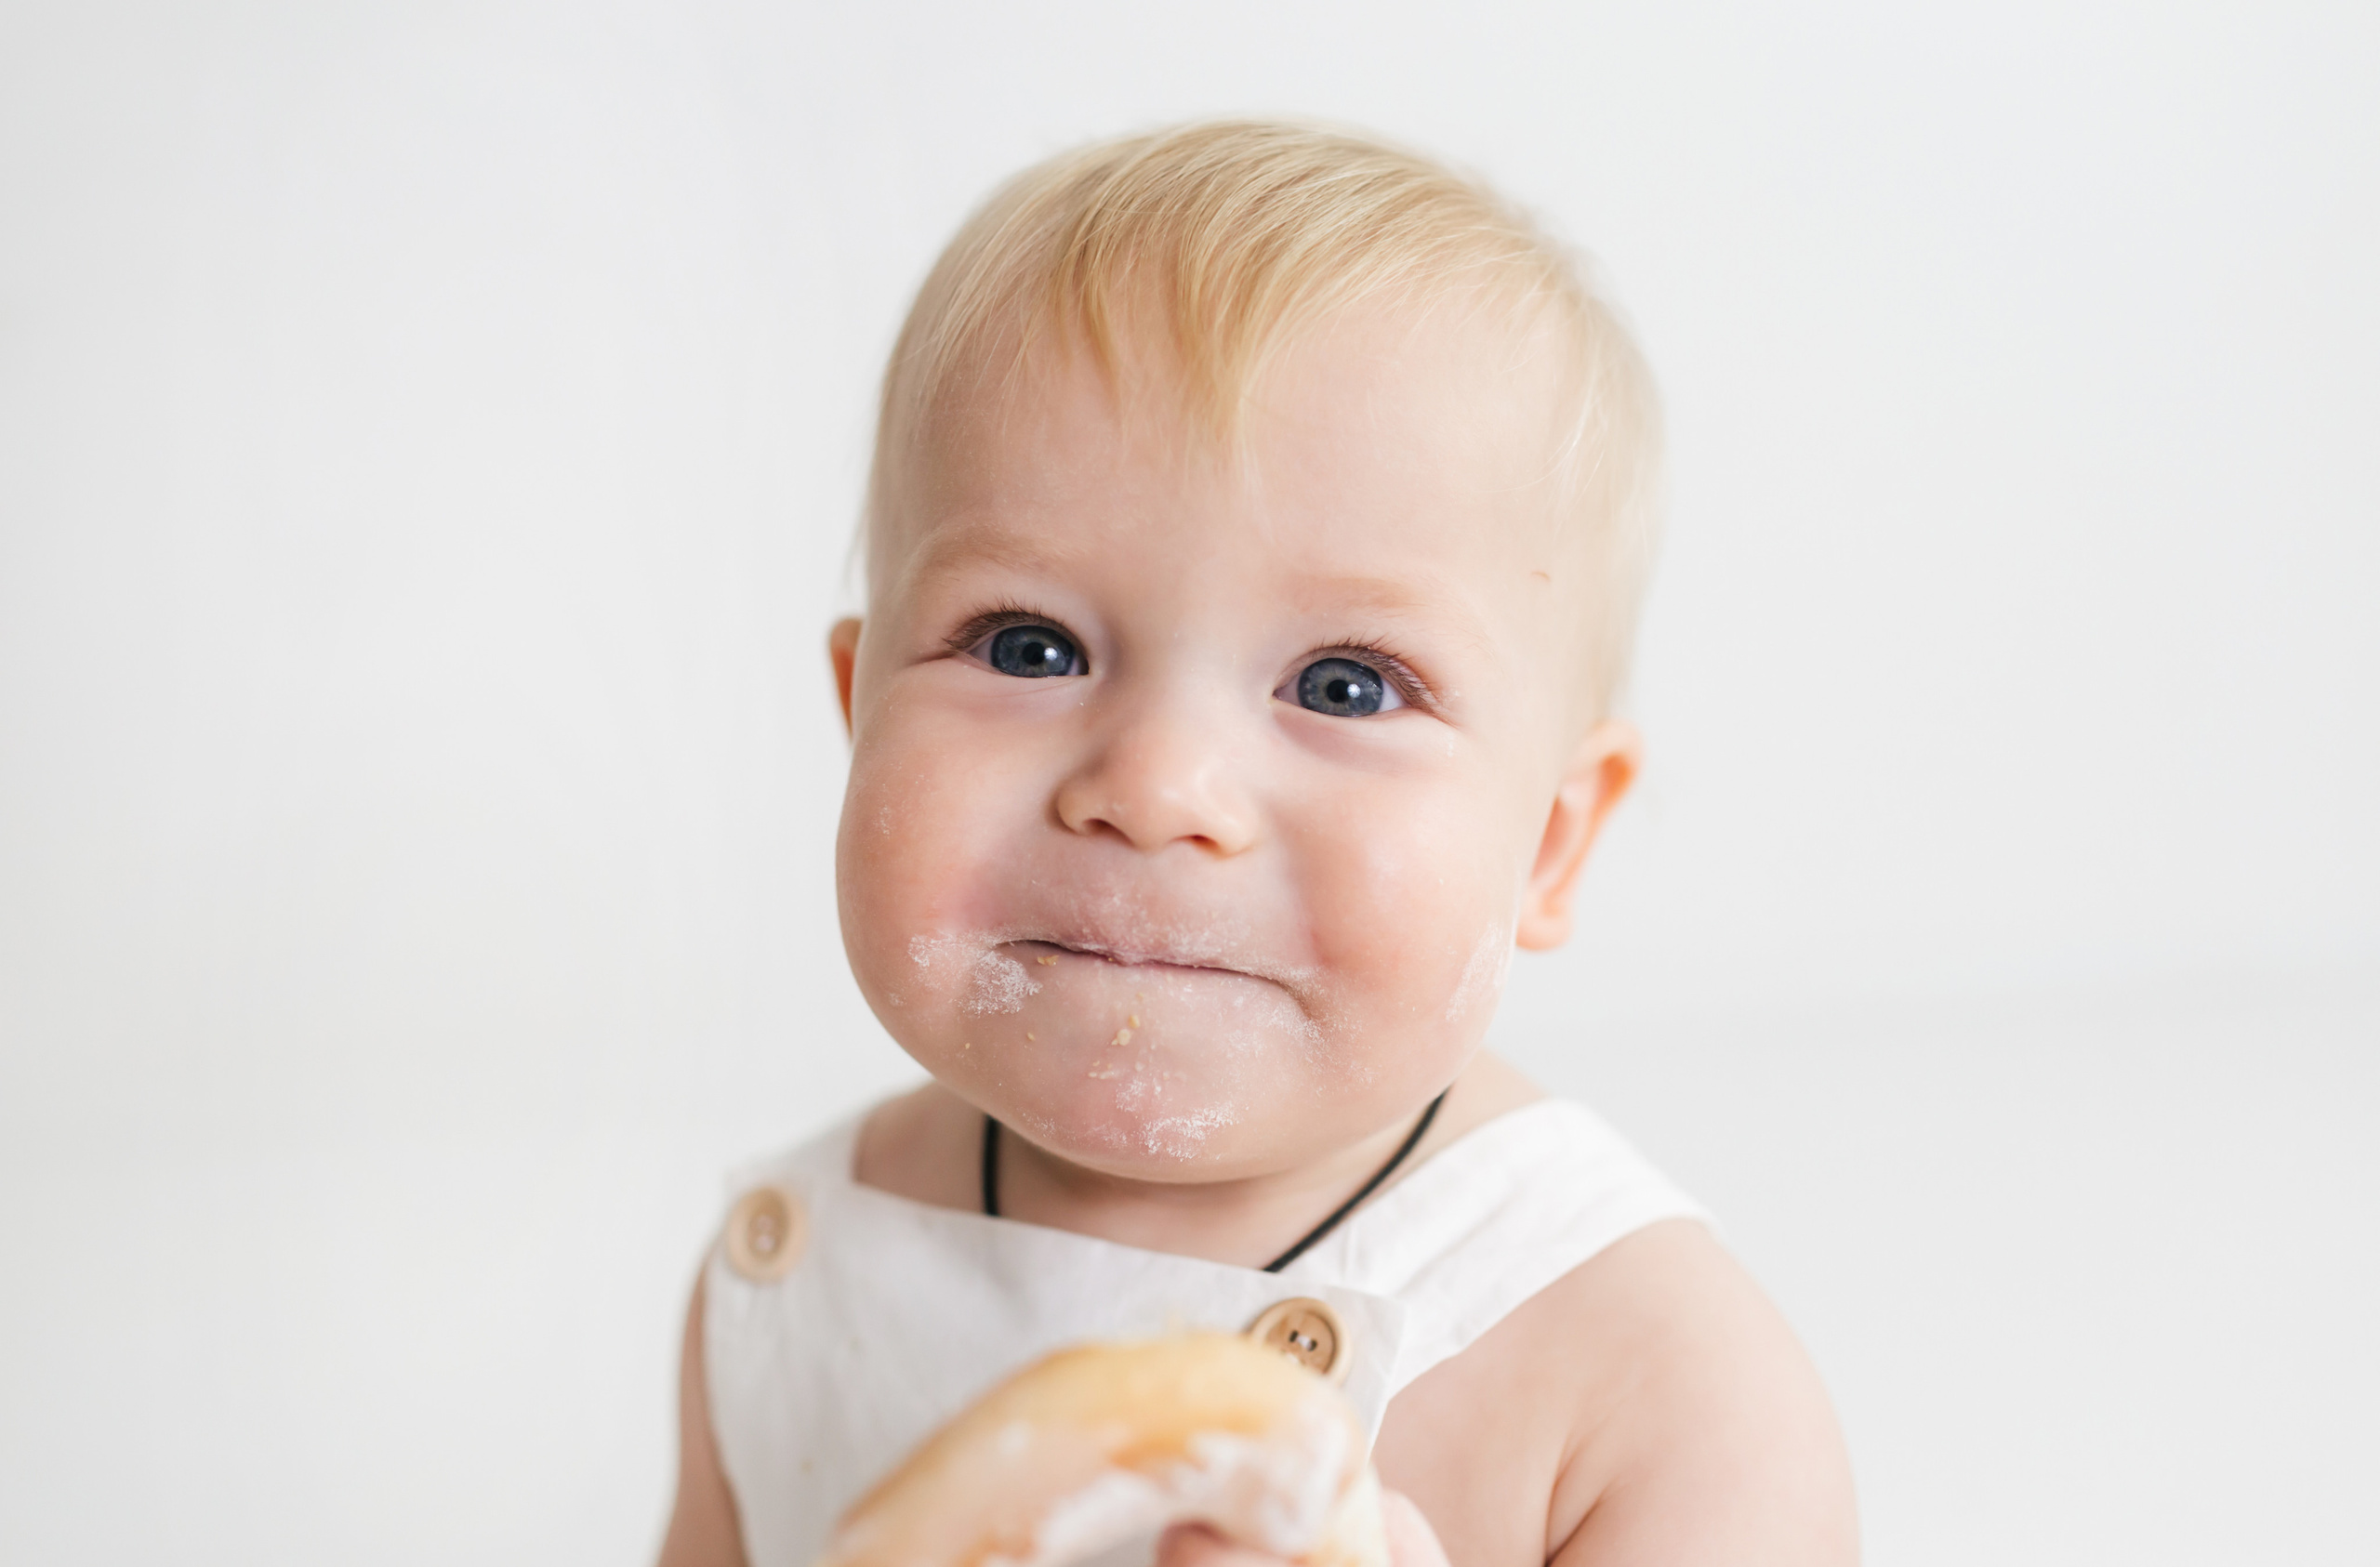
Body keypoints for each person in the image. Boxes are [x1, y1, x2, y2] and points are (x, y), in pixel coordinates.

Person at [659, 120, 1857, 1567]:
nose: (1156, 786)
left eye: (1346, 684)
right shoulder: (805, 1267)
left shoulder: (1646, 1389)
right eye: (1030, 645)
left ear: (1547, 843)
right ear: (859, 722)